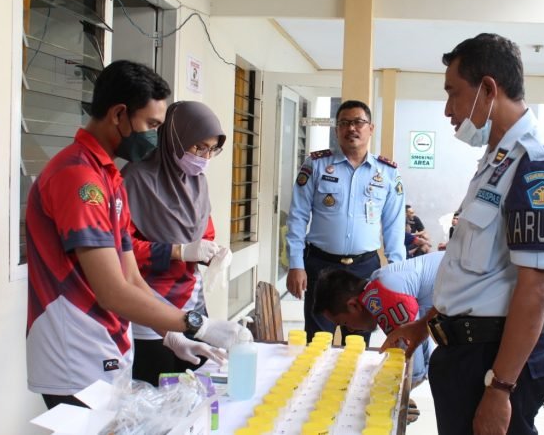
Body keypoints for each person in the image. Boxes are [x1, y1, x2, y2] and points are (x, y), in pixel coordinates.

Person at [382, 33, 544, 435]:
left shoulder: (536, 169)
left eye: (453, 93)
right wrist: (424, 325)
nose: (447, 109)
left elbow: (538, 287)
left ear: (488, 89)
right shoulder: (496, 162)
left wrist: (500, 389)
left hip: (495, 362)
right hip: (465, 353)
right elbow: (474, 272)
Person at [25, 60, 241, 409]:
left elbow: (131, 276)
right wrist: (196, 324)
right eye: (152, 125)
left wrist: (171, 334)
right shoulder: (80, 179)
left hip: (108, 342)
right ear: (119, 114)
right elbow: (112, 290)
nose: (157, 135)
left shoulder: (110, 178)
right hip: (75, 348)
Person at [122, 101, 229, 385]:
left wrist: (213, 254)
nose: (204, 157)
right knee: (155, 398)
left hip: (192, 305)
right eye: (198, 148)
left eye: (212, 149)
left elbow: (204, 235)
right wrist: (176, 251)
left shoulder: (198, 182)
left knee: (193, 392)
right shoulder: (136, 179)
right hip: (150, 308)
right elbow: (122, 251)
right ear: (175, 139)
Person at [286, 100, 406, 344]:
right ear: (337, 130)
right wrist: (296, 264)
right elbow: (298, 215)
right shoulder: (316, 164)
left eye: (358, 122)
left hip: (365, 268)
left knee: (359, 342)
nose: (352, 128)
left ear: (370, 128)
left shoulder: (387, 173)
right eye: (344, 123)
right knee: (317, 340)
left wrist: (398, 271)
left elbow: (394, 224)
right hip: (321, 266)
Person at [313, 251, 443, 387]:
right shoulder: (377, 283)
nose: (350, 329)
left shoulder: (384, 296)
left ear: (353, 305)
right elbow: (421, 350)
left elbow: (413, 373)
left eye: (344, 323)